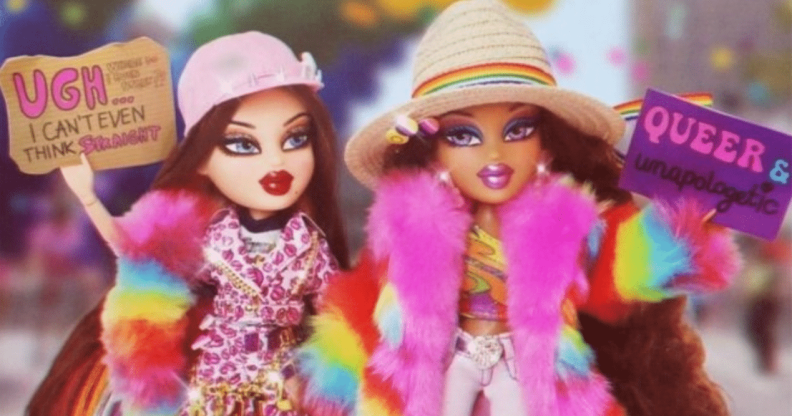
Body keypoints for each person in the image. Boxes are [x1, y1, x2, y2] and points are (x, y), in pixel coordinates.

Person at [297, 1, 741, 416]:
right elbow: (361, 307)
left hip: (530, 375)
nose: (494, 154)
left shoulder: (563, 221)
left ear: (546, 138)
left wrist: (685, 227)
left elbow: (619, 265)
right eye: (463, 135)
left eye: (518, 129)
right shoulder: (412, 226)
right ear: (431, 149)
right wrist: (329, 382)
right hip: (448, 369)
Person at [28, 31, 349, 416]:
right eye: (242, 144)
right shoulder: (214, 238)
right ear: (201, 160)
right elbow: (139, 257)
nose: (276, 161)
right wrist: (88, 197)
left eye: (296, 138)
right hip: (212, 385)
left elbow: (340, 314)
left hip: (282, 385)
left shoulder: (309, 244)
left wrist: (321, 377)